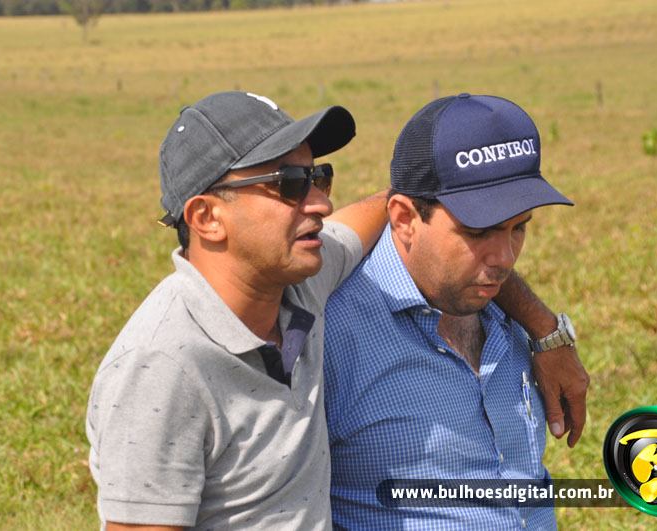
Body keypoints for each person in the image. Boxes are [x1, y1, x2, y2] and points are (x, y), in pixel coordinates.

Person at [86, 91, 587, 530]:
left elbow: (418, 218)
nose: (321, 204)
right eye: (289, 184)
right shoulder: (160, 367)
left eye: (318, 177)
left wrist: (546, 330)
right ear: (206, 217)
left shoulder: (302, 284)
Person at [324, 93, 586, 529]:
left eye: (519, 227)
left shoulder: (502, 311)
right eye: (478, 231)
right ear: (404, 218)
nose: (505, 258)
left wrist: (548, 333)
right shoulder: (328, 335)